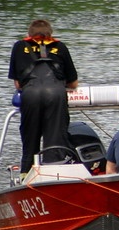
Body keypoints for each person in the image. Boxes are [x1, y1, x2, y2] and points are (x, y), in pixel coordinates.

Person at [8, 19, 79, 174]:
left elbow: (18, 85)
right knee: (55, 140)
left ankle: (26, 175)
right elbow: (73, 84)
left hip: (30, 95)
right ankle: (54, 174)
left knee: (30, 140)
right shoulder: (60, 47)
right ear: (50, 34)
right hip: (55, 95)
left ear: (29, 34)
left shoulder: (19, 47)